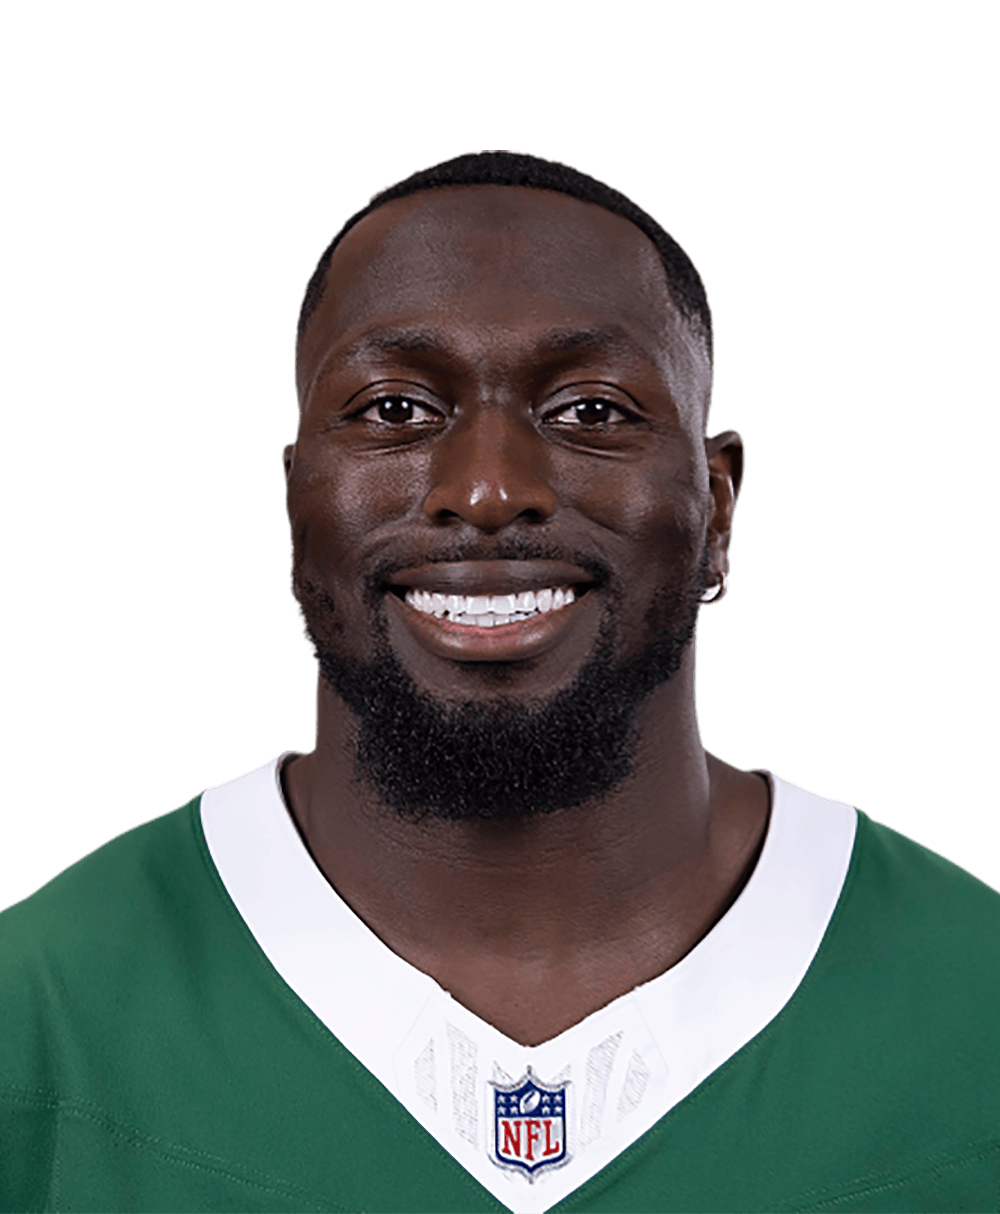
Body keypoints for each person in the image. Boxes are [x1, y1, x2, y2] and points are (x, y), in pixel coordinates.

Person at [2, 151, 997, 1214]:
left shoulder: (969, 1007)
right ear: (298, 502)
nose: (486, 490)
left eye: (589, 410)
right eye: (392, 410)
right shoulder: (47, 1009)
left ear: (716, 504)